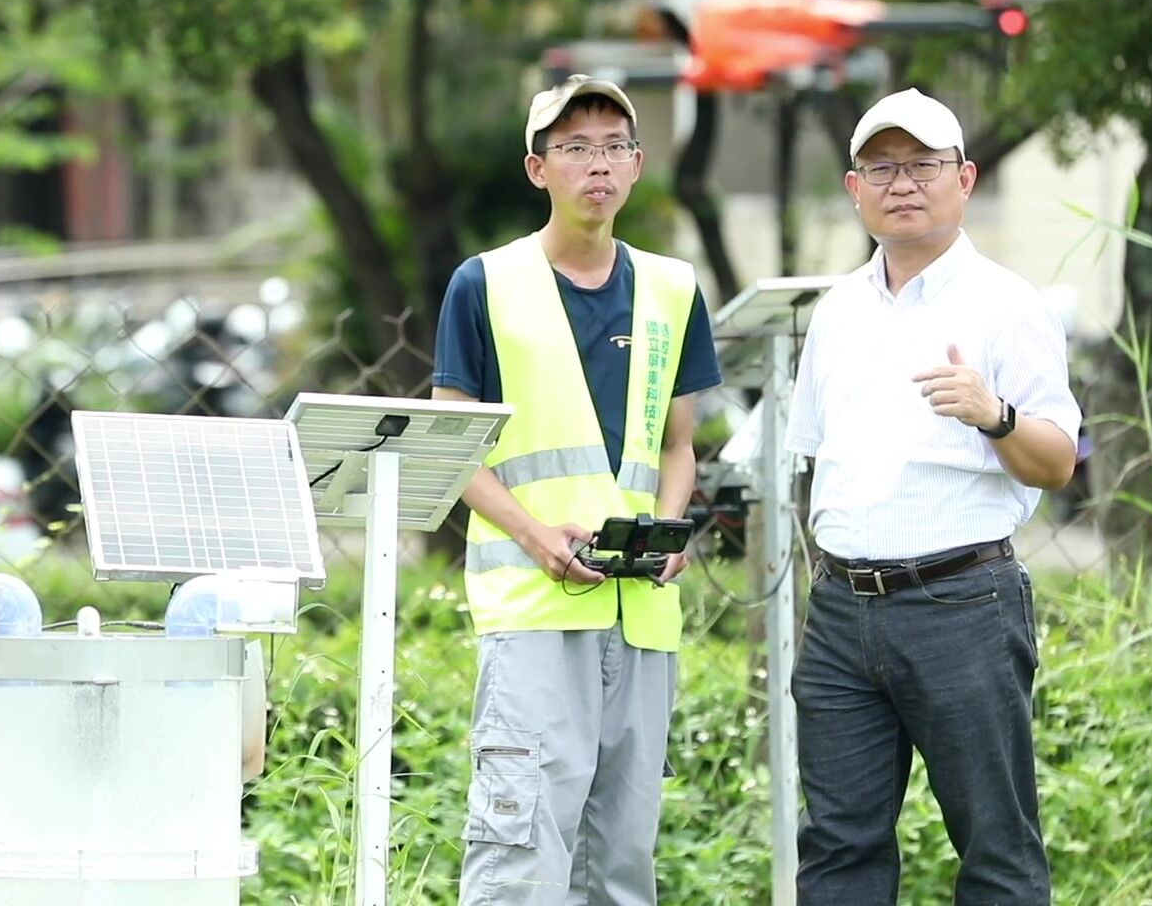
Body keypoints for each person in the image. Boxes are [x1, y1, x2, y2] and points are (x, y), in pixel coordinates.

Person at [786, 88, 1082, 904]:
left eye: (923, 165)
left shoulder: (1007, 306)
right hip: (844, 612)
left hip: (961, 604)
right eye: (882, 167)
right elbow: (818, 456)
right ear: (854, 188)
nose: (903, 183)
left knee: (995, 845)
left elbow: (1057, 463)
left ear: (965, 180)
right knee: (838, 847)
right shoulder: (838, 310)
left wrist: (994, 414)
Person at [433, 74, 723, 905]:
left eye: (613, 148)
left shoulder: (673, 287)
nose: (597, 166)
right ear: (538, 169)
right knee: (522, 850)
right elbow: (451, 452)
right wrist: (534, 536)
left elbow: (678, 446)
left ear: (636, 167)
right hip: (532, 609)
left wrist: (668, 532)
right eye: (575, 149)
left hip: (641, 614)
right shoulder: (483, 283)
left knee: (622, 860)